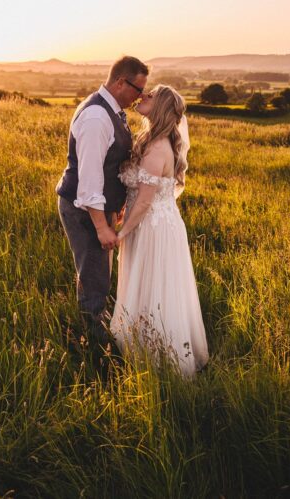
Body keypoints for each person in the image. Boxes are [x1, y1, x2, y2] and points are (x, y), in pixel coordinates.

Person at [110, 85, 209, 377]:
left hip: (152, 228)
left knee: (154, 286)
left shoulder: (157, 148)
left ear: (161, 107)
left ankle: (162, 361)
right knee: (148, 284)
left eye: (150, 96)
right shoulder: (151, 141)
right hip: (154, 223)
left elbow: (143, 201)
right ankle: (144, 349)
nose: (143, 97)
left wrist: (121, 232)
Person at [55, 56, 149, 357]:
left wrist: (115, 206)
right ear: (120, 82)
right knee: (95, 275)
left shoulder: (112, 110)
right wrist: (101, 226)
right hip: (84, 210)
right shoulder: (97, 117)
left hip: (97, 207)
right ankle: (93, 347)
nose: (140, 97)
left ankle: (96, 325)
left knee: (96, 272)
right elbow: (90, 180)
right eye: (137, 89)